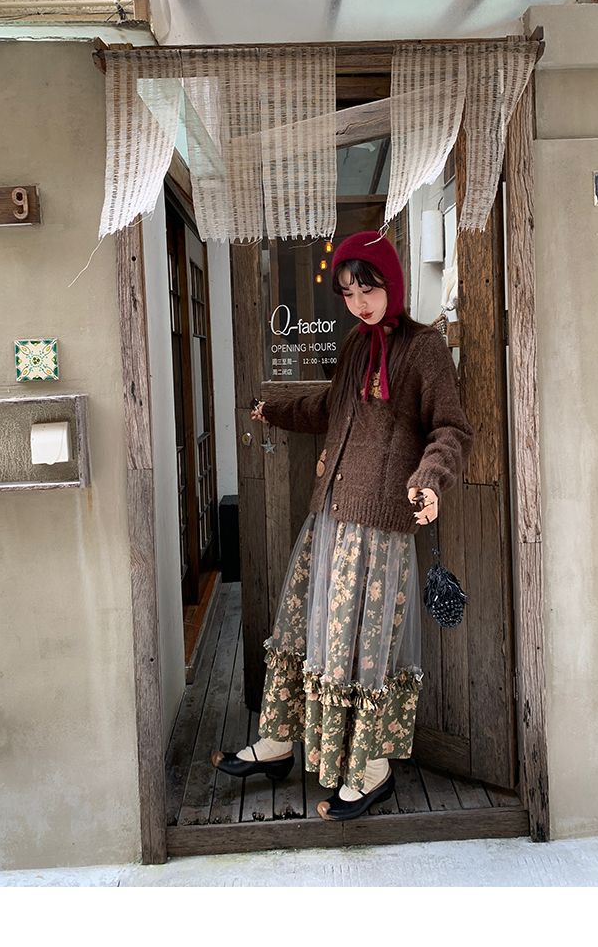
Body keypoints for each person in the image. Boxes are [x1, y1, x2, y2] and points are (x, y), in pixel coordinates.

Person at [212, 230, 473, 821]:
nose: (359, 303)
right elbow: (331, 409)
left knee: (362, 646)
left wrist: (431, 480)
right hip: (329, 516)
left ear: (391, 283)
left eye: (368, 289)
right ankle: (278, 742)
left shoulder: (424, 348)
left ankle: (372, 769)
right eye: (350, 293)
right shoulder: (357, 344)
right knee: (305, 631)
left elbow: (451, 429)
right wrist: (275, 409)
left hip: (379, 527)